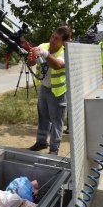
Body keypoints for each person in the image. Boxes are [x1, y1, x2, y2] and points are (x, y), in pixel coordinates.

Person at [27, 26, 72, 155]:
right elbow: (31, 63)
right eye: (52, 36)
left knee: (57, 121)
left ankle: (54, 149)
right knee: (43, 116)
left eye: (56, 39)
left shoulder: (65, 51)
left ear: (63, 42)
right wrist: (31, 60)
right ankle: (41, 142)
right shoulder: (43, 46)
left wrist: (44, 54)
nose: (52, 40)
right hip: (44, 88)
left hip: (57, 91)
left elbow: (57, 65)